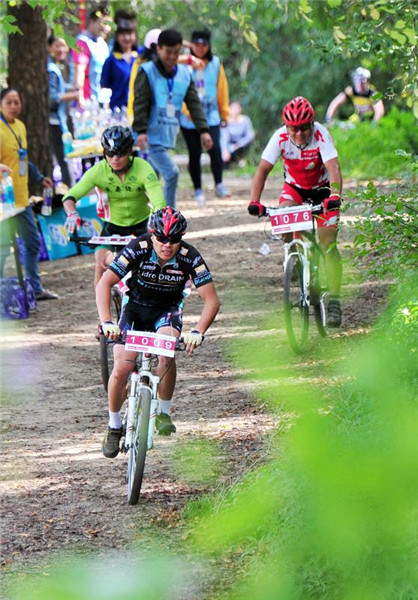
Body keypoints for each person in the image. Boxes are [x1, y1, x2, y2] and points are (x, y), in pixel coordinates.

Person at [96, 206, 220, 457]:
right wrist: (107, 321)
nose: (167, 245)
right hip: (135, 309)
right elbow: (104, 283)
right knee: (121, 368)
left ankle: (163, 412)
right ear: (151, 235)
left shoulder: (190, 257)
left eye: (174, 239)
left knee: (166, 354)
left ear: (181, 238)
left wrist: (198, 330)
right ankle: (114, 426)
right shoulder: (137, 248)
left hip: (167, 311)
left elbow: (211, 300)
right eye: (161, 239)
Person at [248, 96, 343, 327]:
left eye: (303, 128)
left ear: (312, 125)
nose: (299, 134)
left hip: (322, 190)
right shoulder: (279, 137)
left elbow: (333, 167)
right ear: (286, 127)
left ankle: (333, 298)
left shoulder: (321, 135)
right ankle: (295, 257)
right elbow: (262, 170)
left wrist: (335, 195)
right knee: (281, 220)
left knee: (327, 243)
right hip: (295, 189)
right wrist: (255, 201)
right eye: (294, 129)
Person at [62, 126, 165, 288]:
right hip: (113, 227)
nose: (114, 158)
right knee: (101, 263)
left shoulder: (143, 167)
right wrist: (72, 213)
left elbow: (159, 201)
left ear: (130, 151)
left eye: (120, 153)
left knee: (154, 266)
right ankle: (102, 313)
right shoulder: (98, 171)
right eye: (109, 154)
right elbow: (70, 196)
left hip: (142, 225)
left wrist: (159, 223)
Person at [133, 29, 213, 209]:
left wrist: (204, 130)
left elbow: (194, 104)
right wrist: (141, 131)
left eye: (176, 52)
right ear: (159, 49)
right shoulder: (147, 71)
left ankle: (154, 222)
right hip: (149, 138)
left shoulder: (184, 74)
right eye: (168, 52)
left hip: (166, 134)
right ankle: (168, 218)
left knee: (151, 181)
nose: (172, 56)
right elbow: (140, 103)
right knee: (171, 173)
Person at [0, 88, 58, 300]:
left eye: (17, 102)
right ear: (0, 104)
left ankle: (35, 287)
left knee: (33, 241)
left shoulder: (20, 126)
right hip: (3, 201)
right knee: (3, 248)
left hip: (21, 198)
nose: (14, 106)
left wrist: (39, 177)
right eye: (9, 102)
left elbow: (23, 159)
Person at [180, 28, 230, 205]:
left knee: (215, 149)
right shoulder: (184, 65)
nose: (200, 48)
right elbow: (179, 89)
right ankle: (198, 189)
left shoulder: (215, 63)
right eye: (197, 44)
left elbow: (222, 89)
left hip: (211, 116)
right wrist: (187, 112)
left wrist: (225, 113)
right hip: (189, 119)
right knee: (195, 153)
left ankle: (219, 184)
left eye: (204, 45)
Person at [47, 35, 79, 187]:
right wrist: (72, 95)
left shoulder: (53, 66)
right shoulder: (51, 69)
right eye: (57, 45)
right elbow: (52, 98)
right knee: (64, 160)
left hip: (58, 121)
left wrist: (70, 87)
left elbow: (57, 87)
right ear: (49, 48)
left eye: (64, 46)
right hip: (54, 122)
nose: (61, 49)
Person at [73, 6, 110, 108]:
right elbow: (79, 69)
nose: (106, 28)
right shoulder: (82, 41)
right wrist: (79, 96)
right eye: (103, 23)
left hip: (102, 100)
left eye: (109, 25)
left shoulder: (103, 44)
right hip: (86, 101)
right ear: (92, 21)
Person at [100, 17, 138, 110]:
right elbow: (104, 86)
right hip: (117, 109)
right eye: (123, 34)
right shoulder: (111, 60)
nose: (127, 38)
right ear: (117, 37)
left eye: (129, 34)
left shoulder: (140, 58)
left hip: (137, 109)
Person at [221, 101, 255, 167]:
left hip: (242, 146)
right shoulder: (225, 122)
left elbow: (250, 136)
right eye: (233, 108)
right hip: (230, 147)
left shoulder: (246, 120)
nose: (235, 110)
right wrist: (225, 150)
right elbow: (224, 138)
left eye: (236, 108)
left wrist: (238, 145)